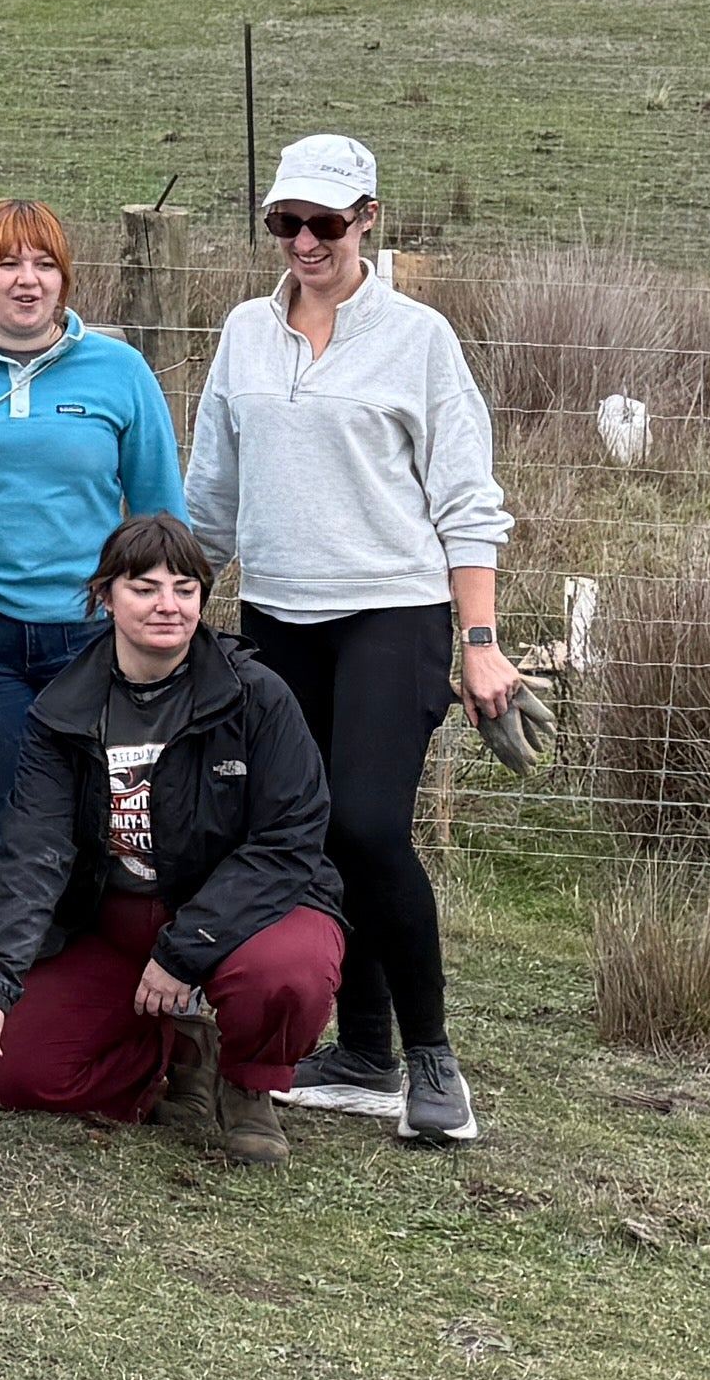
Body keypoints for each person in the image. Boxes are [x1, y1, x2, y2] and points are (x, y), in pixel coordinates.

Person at [185, 131, 513, 1149]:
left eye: (324, 223)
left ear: (368, 218)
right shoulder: (245, 333)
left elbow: (466, 500)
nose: (304, 243)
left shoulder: (420, 338)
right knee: (309, 832)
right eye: (285, 223)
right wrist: (172, 609)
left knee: (368, 827)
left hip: (391, 614)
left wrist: (481, 640)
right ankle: (364, 1054)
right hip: (276, 616)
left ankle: (433, 1061)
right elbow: (211, 497)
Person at [0, 512, 343, 1163]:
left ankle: (249, 1084)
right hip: (118, 919)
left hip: (251, 914)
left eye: (185, 589)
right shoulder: (63, 711)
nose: (169, 605)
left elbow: (289, 840)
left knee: (286, 975)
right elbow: (34, 854)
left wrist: (186, 950)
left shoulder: (258, 696)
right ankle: (175, 1052)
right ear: (105, 597)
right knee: (9, 1072)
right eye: (145, 588)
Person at [0, 202, 190, 923]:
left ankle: (95, 987)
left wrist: (167, 632)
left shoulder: (119, 371)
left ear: (65, 277)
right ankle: (4, 990)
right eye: (6, 264)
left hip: (92, 640)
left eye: (44, 264)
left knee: (105, 832)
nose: (27, 281)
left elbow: (160, 516)